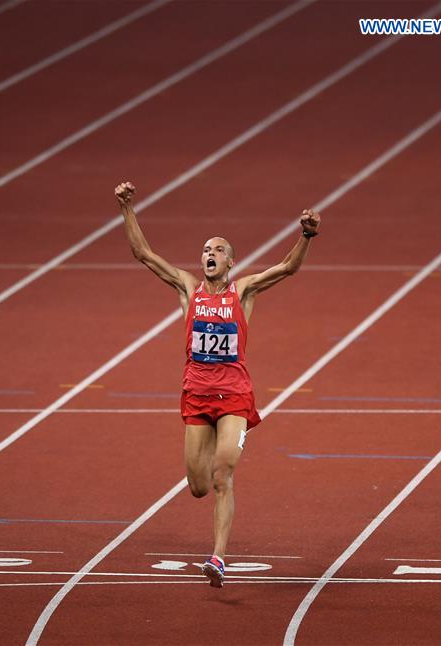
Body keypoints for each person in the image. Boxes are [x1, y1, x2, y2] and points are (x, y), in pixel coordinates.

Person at [115, 181, 320, 588]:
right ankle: (210, 493)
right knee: (197, 486)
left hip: (234, 397)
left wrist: (306, 236)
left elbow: (287, 269)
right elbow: (143, 254)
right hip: (195, 395)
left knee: (224, 475)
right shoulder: (188, 290)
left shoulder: (242, 291)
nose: (210, 254)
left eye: (218, 250)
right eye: (206, 250)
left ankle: (218, 558)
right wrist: (127, 208)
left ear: (230, 263)